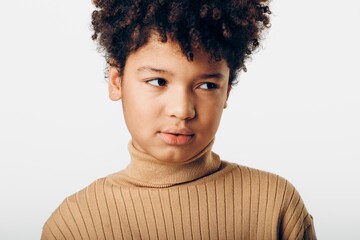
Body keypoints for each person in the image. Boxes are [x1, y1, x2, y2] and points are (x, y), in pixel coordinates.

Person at [41, 0, 317, 239]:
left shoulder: (274, 205)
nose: (183, 110)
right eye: (158, 81)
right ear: (117, 81)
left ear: (227, 92)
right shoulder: (75, 224)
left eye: (207, 86)